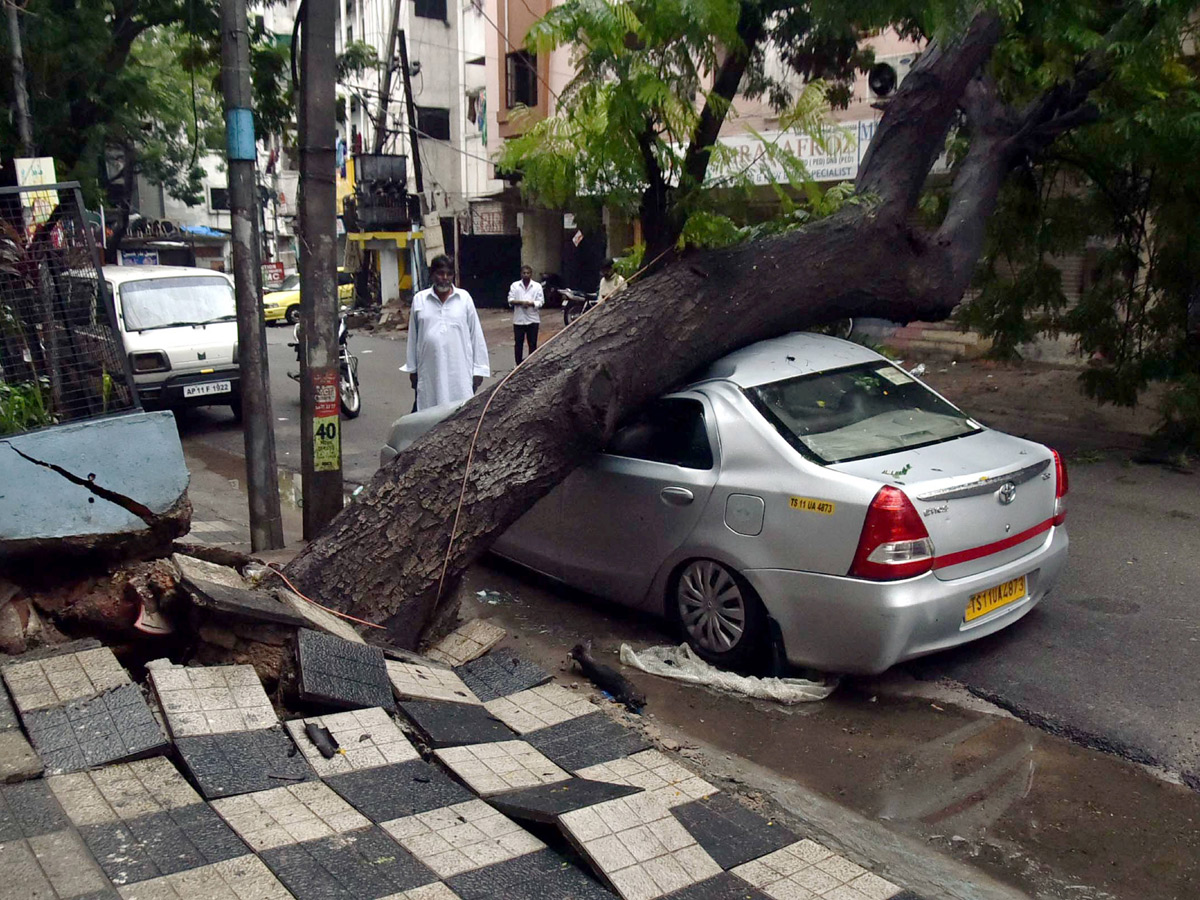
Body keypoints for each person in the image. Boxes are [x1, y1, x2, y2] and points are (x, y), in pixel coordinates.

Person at [402, 255, 490, 411]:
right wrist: (412, 370)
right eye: (440, 273)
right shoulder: (420, 300)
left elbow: (476, 335)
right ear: (432, 274)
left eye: (449, 274)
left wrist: (479, 369)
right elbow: (413, 338)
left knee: (460, 413)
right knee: (428, 414)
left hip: (460, 372)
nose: (444, 278)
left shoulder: (464, 299)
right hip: (429, 372)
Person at [507, 264, 544, 365]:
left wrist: (531, 304)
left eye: (528, 273)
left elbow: (541, 302)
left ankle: (531, 364)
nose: (526, 275)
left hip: (533, 320)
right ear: (521, 274)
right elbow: (510, 300)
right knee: (518, 344)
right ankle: (518, 365)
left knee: (532, 344)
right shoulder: (515, 286)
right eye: (524, 273)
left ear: (531, 274)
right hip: (519, 320)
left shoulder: (537, 286)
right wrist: (521, 303)